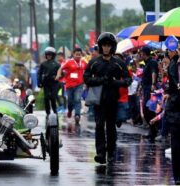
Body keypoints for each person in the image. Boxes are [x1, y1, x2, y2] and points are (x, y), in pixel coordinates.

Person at [83, 32, 131, 164]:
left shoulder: (119, 62)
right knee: (99, 126)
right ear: (100, 46)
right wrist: (100, 80)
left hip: (113, 99)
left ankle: (111, 152)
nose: (106, 48)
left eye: (108, 45)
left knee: (111, 127)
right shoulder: (94, 62)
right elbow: (86, 78)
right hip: (98, 99)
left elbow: (128, 80)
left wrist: (116, 82)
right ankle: (100, 153)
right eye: (104, 45)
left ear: (112, 47)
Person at [163, 36, 180, 185]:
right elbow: (173, 87)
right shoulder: (173, 65)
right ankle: (177, 177)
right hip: (176, 110)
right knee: (176, 145)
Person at [57, 48, 87, 124]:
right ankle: (70, 111)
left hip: (79, 85)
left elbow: (88, 70)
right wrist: (58, 75)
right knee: (70, 101)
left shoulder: (83, 63)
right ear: (73, 54)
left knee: (77, 99)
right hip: (69, 85)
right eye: (76, 54)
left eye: (79, 55)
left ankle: (77, 115)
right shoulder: (69, 62)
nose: (78, 56)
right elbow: (61, 68)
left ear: (81, 55)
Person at [139, 46, 159, 141]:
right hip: (145, 88)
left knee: (149, 110)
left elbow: (154, 73)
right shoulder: (146, 63)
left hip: (150, 89)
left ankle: (154, 131)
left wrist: (153, 84)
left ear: (145, 53)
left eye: (141, 53)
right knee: (146, 110)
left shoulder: (152, 62)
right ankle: (152, 131)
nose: (140, 55)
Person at [37, 47, 60, 116]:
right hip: (46, 83)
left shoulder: (57, 64)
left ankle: (55, 111)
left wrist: (58, 76)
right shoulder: (43, 64)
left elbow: (61, 74)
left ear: (53, 55)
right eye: (48, 54)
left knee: (53, 97)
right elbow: (39, 74)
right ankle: (48, 113)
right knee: (46, 98)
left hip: (54, 83)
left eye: (50, 54)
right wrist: (39, 82)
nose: (49, 56)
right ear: (46, 55)